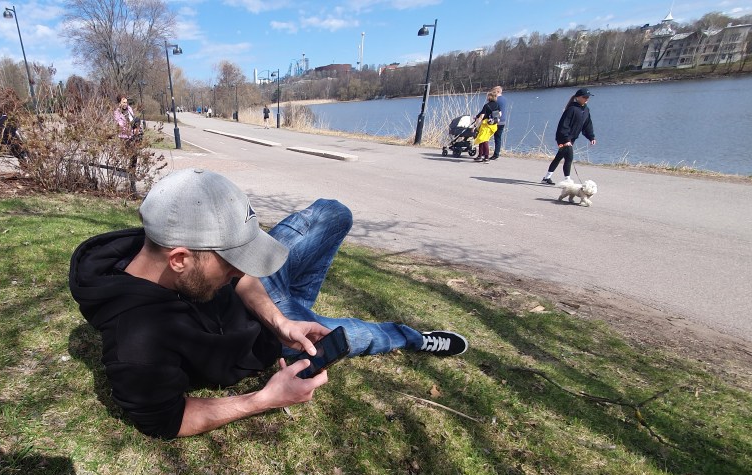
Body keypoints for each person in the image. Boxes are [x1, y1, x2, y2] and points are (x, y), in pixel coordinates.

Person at [68, 168, 468, 439]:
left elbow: (245, 277)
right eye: (232, 259)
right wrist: (265, 399)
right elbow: (166, 420)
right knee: (354, 336)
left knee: (332, 213)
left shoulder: (158, 240)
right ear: (179, 259)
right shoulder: (137, 344)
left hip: (267, 310)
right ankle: (413, 338)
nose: (241, 267)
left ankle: (294, 310)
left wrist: (281, 322)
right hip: (262, 344)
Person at [542, 88, 596, 185]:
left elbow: (587, 124)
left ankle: (546, 178)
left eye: (588, 97)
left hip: (572, 138)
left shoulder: (586, 109)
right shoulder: (571, 109)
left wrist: (591, 137)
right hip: (563, 137)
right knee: (569, 157)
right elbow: (563, 125)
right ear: (578, 97)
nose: (587, 99)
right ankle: (567, 180)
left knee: (559, 157)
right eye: (584, 97)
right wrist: (566, 139)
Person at [113, 94, 143, 193]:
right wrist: (130, 128)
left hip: (133, 134)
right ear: (119, 103)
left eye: (126, 102)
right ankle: (131, 174)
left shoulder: (129, 109)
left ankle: (132, 172)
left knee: (135, 155)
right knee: (132, 154)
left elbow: (132, 119)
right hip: (125, 136)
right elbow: (121, 125)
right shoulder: (117, 113)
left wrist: (136, 128)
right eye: (123, 102)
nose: (125, 104)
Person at [472, 90, 500, 163]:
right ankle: (480, 155)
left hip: (486, 125)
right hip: (493, 125)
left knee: (484, 140)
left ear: (489, 97)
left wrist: (475, 125)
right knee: (482, 140)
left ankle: (486, 157)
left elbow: (481, 116)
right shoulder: (497, 105)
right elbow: (500, 114)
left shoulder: (487, 106)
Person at [491, 85, 508, 160]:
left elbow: (493, 110)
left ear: (497, 91)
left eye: (494, 91)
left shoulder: (496, 100)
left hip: (496, 120)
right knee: (498, 138)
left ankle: (486, 152)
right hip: (503, 120)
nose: (492, 93)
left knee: (487, 136)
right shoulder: (504, 99)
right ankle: (496, 153)